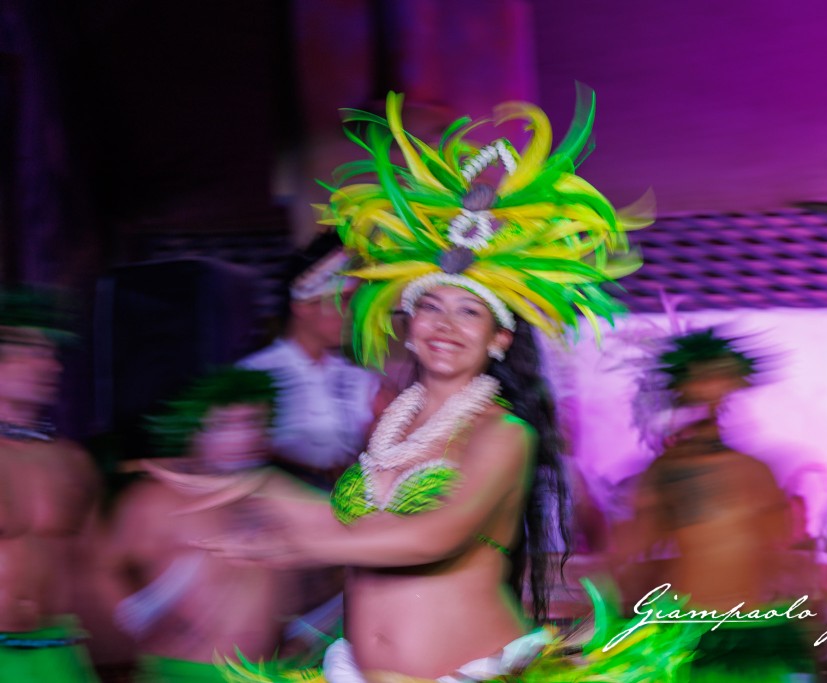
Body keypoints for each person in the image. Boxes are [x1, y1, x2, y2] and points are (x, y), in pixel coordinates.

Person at [201, 88, 695, 683]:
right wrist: (259, 491)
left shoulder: (503, 433)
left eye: (468, 312)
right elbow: (354, 525)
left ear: (498, 339)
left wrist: (305, 544)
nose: (444, 325)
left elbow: (434, 536)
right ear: (409, 326)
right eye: (430, 307)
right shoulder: (389, 423)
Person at [618, 328, 810, 682]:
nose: (709, 394)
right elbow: (631, 552)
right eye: (699, 381)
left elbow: (780, 551)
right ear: (679, 392)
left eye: (718, 380)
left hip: (754, 628)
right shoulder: (663, 474)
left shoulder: (756, 471)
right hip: (688, 631)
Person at [99, 367, 306, 682]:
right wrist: (138, 624)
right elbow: (101, 571)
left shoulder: (278, 500)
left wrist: (303, 632)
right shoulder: (156, 500)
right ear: (193, 430)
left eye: (253, 422)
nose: (244, 436)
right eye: (225, 424)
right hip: (185, 671)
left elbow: (309, 582)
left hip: (264, 673)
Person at [0, 287, 101, 682]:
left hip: (58, 650)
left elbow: (94, 566)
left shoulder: (72, 461)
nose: (51, 366)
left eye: (52, 354)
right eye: (32, 351)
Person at [239, 231, 384, 489]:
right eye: (346, 299)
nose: (354, 313)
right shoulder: (253, 375)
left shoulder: (364, 381)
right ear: (303, 304)